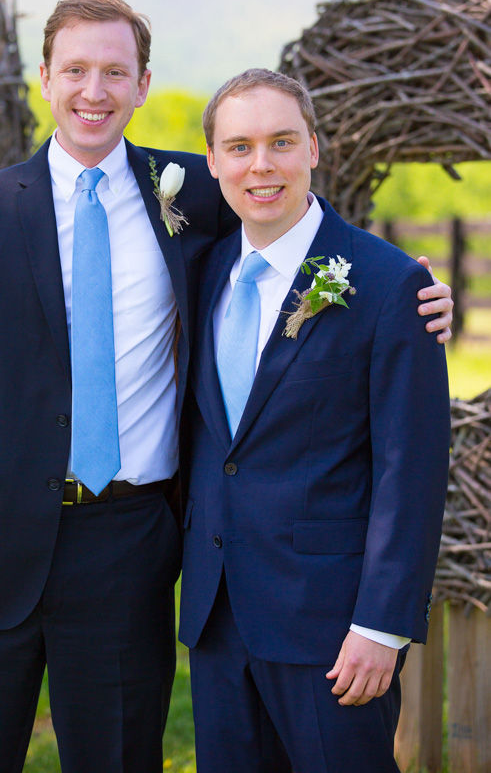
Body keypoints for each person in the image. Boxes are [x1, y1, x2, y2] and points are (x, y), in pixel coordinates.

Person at [0, 0, 452, 773]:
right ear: (44, 78)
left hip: (127, 545)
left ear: (143, 84)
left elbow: (293, 226)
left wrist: (407, 287)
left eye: (115, 71)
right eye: (77, 70)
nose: (95, 90)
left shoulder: (192, 192)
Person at [177, 69, 451, 773]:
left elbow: (409, 471)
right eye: (238, 147)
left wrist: (381, 626)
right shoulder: (200, 270)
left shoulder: (390, 284)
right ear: (211, 164)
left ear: (314, 150)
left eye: (280, 142)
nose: (259, 165)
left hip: (332, 627)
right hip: (217, 616)